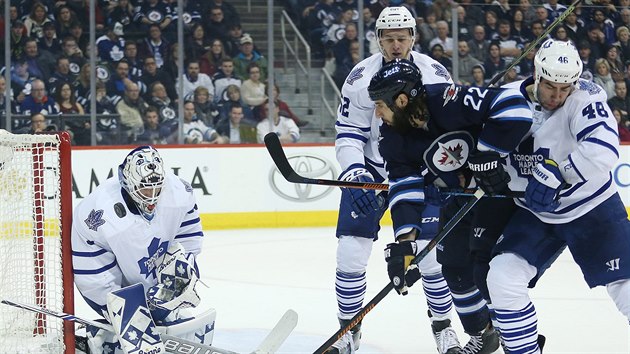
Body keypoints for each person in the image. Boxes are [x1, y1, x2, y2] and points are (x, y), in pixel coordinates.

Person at [367, 58, 532, 354]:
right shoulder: (392, 137)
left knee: (489, 272)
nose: (377, 114)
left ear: (402, 100)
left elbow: (516, 107)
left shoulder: (445, 100)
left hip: (500, 193)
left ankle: (517, 341)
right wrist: (405, 243)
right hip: (462, 198)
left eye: (380, 105)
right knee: (454, 267)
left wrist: (488, 154)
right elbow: (404, 186)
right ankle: (484, 334)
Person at [328, 6, 458, 354]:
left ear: (413, 37)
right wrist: (354, 173)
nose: (396, 45)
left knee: (431, 257)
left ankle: (444, 329)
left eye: (402, 38)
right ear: (378, 40)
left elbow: (447, 130)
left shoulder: (434, 73)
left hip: (418, 173)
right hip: (370, 173)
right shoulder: (359, 78)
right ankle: (348, 332)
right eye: (389, 39)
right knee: (350, 254)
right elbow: (348, 133)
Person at [487, 39, 630, 354]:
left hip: (593, 208)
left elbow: (605, 150)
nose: (557, 95)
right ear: (537, 75)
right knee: (501, 276)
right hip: (538, 214)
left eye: (565, 88)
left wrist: (559, 173)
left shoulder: (585, 97)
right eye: (550, 86)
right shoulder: (508, 98)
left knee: (626, 288)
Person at [72, 145, 214, 353]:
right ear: (128, 183)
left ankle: (150, 320)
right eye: (145, 189)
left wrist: (186, 269)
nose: (152, 196)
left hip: (146, 273)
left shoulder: (179, 191)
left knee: (168, 304)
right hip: (104, 278)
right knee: (138, 331)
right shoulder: (98, 213)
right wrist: (122, 307)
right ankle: (102, 340)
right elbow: (92, 271)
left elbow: (189, 235)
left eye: (157, 188)